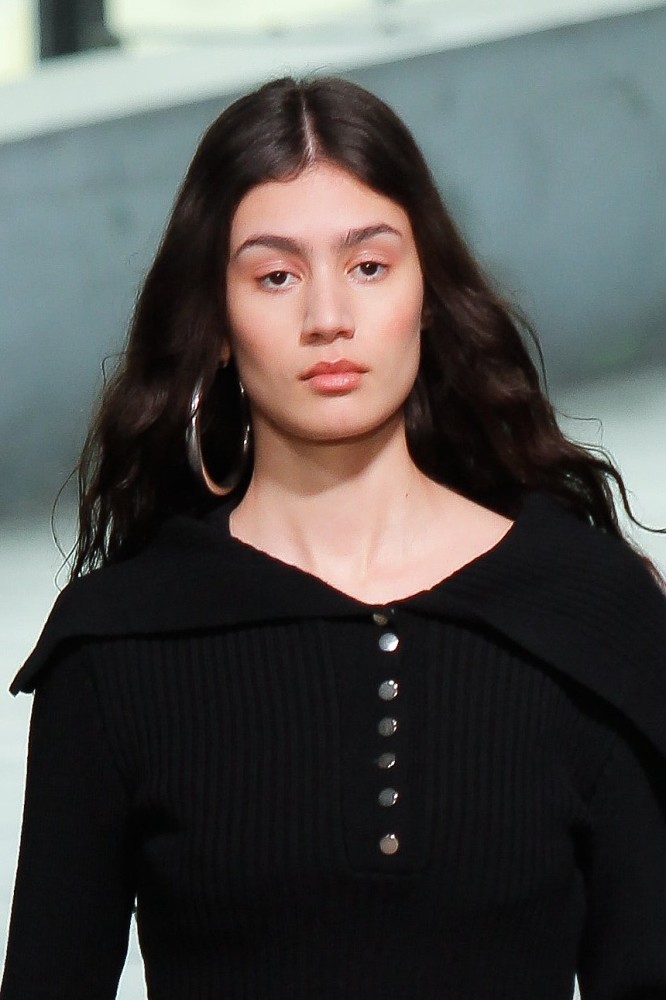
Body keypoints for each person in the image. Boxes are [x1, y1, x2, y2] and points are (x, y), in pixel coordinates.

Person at [1, 75, 665, 1000]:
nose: (328, 319)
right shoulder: (116, 651)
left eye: (369, 266)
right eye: (276, 276)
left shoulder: (590, 617)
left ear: (426, 295)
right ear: (217, 325)